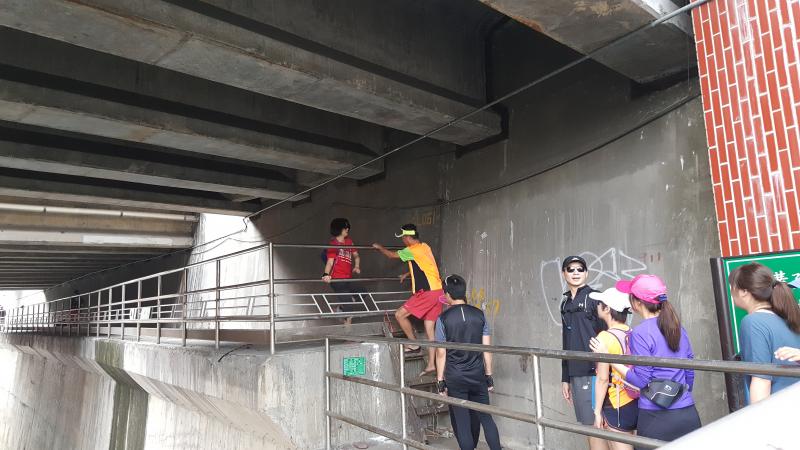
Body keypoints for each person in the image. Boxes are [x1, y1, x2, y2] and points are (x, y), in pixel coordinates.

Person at [590, 275, 700, 449]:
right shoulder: (678, 327)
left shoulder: (640, 332)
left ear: (637, 302)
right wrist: (681, 396)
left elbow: (641, 380)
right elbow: (690, 371)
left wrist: (608, 358)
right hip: (687, 412)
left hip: (656, 418)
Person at [435, 274, 501, 450]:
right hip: (477, 375)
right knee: (486, 418)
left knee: (462, 423)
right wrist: (489, 375)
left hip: (455, 377)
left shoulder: (443, 319)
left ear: (448, 294)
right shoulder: (480, 315)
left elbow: (441, 352)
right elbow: (487, 349)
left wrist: (440, 381)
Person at [373, 224, 443, 375]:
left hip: (427, 293)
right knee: (430, 331)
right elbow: (424, 266)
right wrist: (407, 274)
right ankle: (431, 365)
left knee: (399, 314)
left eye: (403, 238)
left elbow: (391, 255)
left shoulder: (412, 250)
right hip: (438, 292)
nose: (403, 240)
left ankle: (413, 344)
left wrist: (379, 247)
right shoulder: (425, 247)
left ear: (408, 237)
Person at [727, 263, 800, 402]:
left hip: (778, 408)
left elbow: (761, 380)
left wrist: (757, 415)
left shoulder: (753, 322)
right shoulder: (788, 318)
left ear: (744, 291)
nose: (731, 292)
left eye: (732, 287)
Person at [559, 255, 606, 450]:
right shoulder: (565, 303)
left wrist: (604, 369)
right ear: (564, 273)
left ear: (586, 273)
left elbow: (607, 333)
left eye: (580, 269)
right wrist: (565, 377)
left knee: (597, 427)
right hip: (576, 372)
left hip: (595, 372)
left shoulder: (595, 298)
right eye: (571, 269)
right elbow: (566, 341)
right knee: (589, 426)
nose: (576, 272)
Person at [589, 287, 637, 450]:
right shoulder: (632, 332)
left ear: (607, 308)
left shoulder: (604, 338)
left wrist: (597, 412)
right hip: (635, 400)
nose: (597, 306)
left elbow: (603, 379)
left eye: (600, 303)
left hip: (616, 404)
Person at [321, 218, 362, 324]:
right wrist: (326, 274)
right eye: (345, 227)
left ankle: (341, 308)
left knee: (362, 293)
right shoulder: (333, 244)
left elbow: (356, 256)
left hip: (348, 278)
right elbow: (330, 262)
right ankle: (347, 331)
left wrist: (357, 266)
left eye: (348, 227)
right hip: (337, 279)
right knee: (349, 307)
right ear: (339, 229)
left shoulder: (349, 241)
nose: (347, 229)